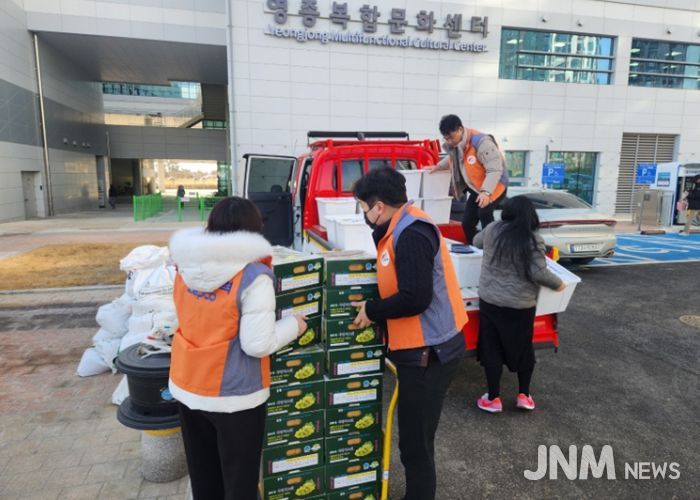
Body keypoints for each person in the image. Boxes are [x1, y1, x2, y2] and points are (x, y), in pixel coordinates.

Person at [168, 197, 306, 500]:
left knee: (205, 479)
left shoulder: (183, 265)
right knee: (239, 484)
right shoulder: (253, 277)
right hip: (235, 396)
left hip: (188, 385)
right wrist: (293, 326)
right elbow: (257, 344)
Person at [351, 167, 468, 500]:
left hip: (430, 353)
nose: (364, 215)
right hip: (424, 349)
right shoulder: (400, 226)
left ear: (379, 207)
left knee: (416, 444)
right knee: (417, 439)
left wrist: (372, 310)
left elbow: (416, 297)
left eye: (363, 208)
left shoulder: (411, 234)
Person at [471, 196, 565, 413]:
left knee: (492, 349)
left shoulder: (493, 229)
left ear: (507, 212)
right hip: (521, 305)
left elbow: (476, 242)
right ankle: (524, 395)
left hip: (491, 302)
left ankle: (493, 398)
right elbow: (539, 273)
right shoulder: (533, 238)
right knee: (523, 348)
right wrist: (559, 284)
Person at [428, 114, 508, 244]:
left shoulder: (482, 143)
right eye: (446, 138)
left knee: (484, 214)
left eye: (451, 137)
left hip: (494, 186)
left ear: (460, 129)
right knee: (467, 223)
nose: (449, 141)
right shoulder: (458, 145)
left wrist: (486, 192)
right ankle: (475, 247)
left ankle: (493, 247)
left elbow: (494, 170)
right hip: (477, 189)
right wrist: (438, 166)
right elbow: (453, 158)